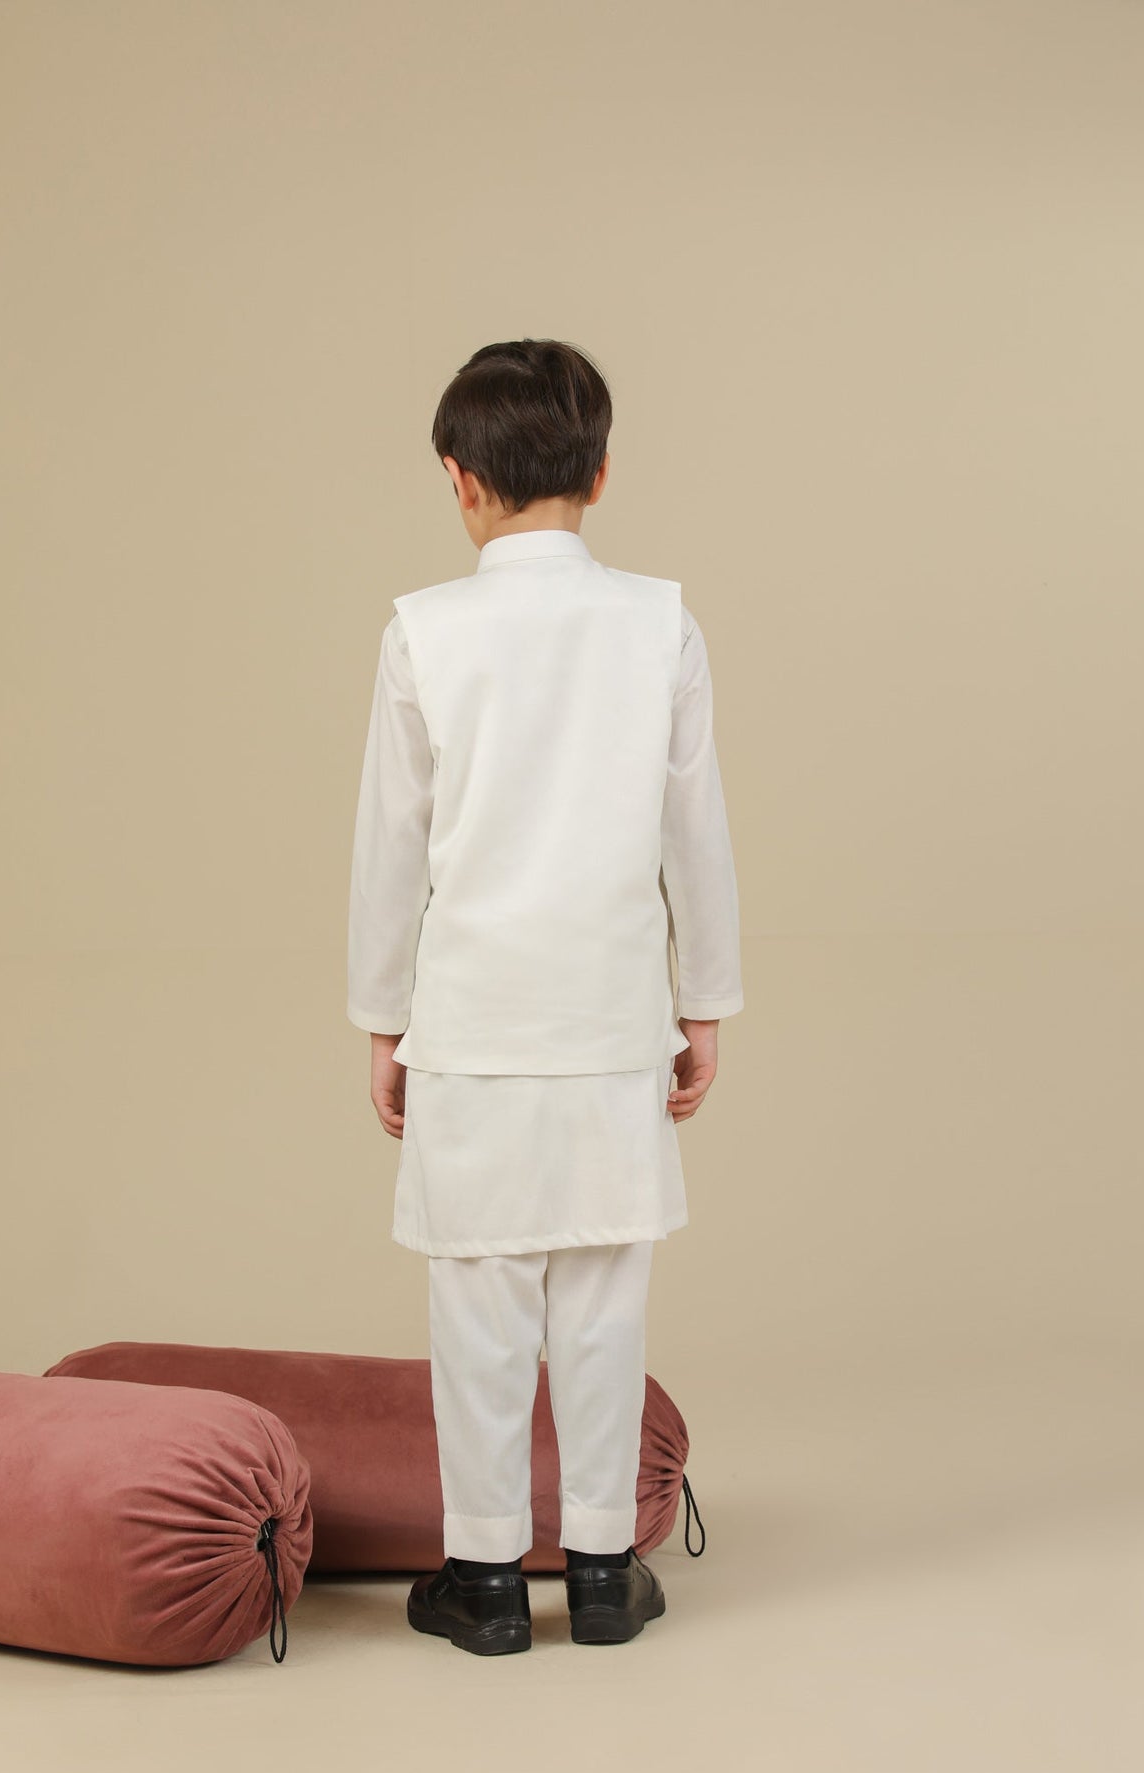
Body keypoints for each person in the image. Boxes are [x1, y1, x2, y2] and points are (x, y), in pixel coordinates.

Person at [346, 337, 743, 1655]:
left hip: (473, 1023)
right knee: (604, 1301)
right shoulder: (660, 621)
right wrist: (702, 1004)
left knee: (480, 1306)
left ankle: (484, 1581)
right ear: (602, 473)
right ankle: (605, 1571)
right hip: (612, 1019)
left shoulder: (423, 631)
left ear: (459, 480)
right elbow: (696, 832)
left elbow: (392, 846)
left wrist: (383, 1020)